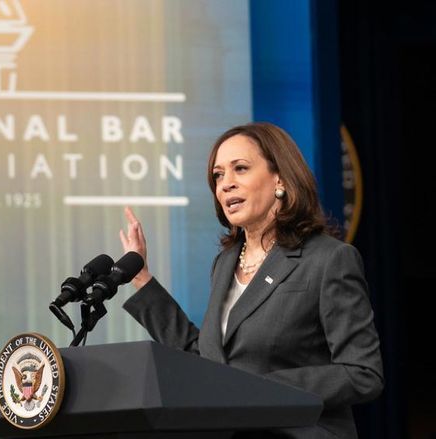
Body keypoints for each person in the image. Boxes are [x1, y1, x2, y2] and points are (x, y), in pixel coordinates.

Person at [119, 122, 383, 439]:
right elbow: (208, 366)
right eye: (218, 175)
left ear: (280, 179)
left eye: (240, 169)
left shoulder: (328, 260)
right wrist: (142, 280)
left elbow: (363, 373)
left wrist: (261, 389)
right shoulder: (225, 264)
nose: (225, 184)